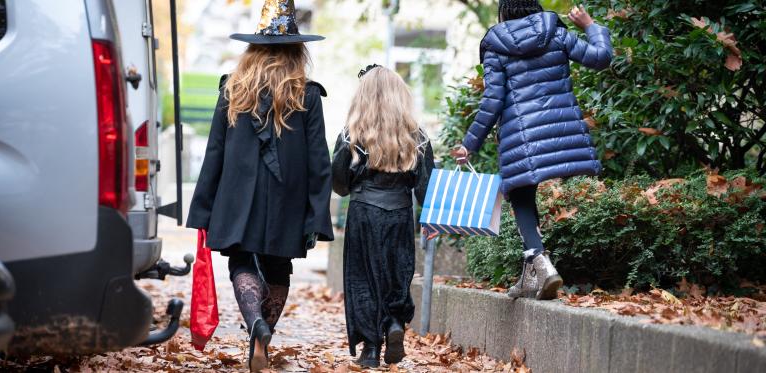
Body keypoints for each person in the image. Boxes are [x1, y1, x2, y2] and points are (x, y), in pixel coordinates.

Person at [186, 1, 334, 371]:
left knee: (242, 261)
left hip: (239, 195)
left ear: (252, 49)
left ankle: (255, 324)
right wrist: (317, 215)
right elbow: (319, 161)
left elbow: (215, 152)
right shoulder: (308, 95)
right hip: (288, 195)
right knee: (278, 266)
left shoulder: (232, 89)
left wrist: (203, 208)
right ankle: (263, 333)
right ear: (298, 50)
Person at [451, 1, 613, 300]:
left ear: (504, 11)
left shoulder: (496, 44)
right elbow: (601, 58)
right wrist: (590, 26)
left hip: (521, 135)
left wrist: (469, 144)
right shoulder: (556, 33)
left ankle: (541, 260)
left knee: (521, 195)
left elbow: (492, 102)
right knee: (522, 194)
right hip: (560, 130)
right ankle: (529, 278)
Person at [332, 65, 435, 368]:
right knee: (396, 275)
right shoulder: (417, 136)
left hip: (364, 212)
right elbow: (425, 188)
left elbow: (339, 184)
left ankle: (370, 351)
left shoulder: (352, 134)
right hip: (400, 213)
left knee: (363, 279)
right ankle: (393, 324)